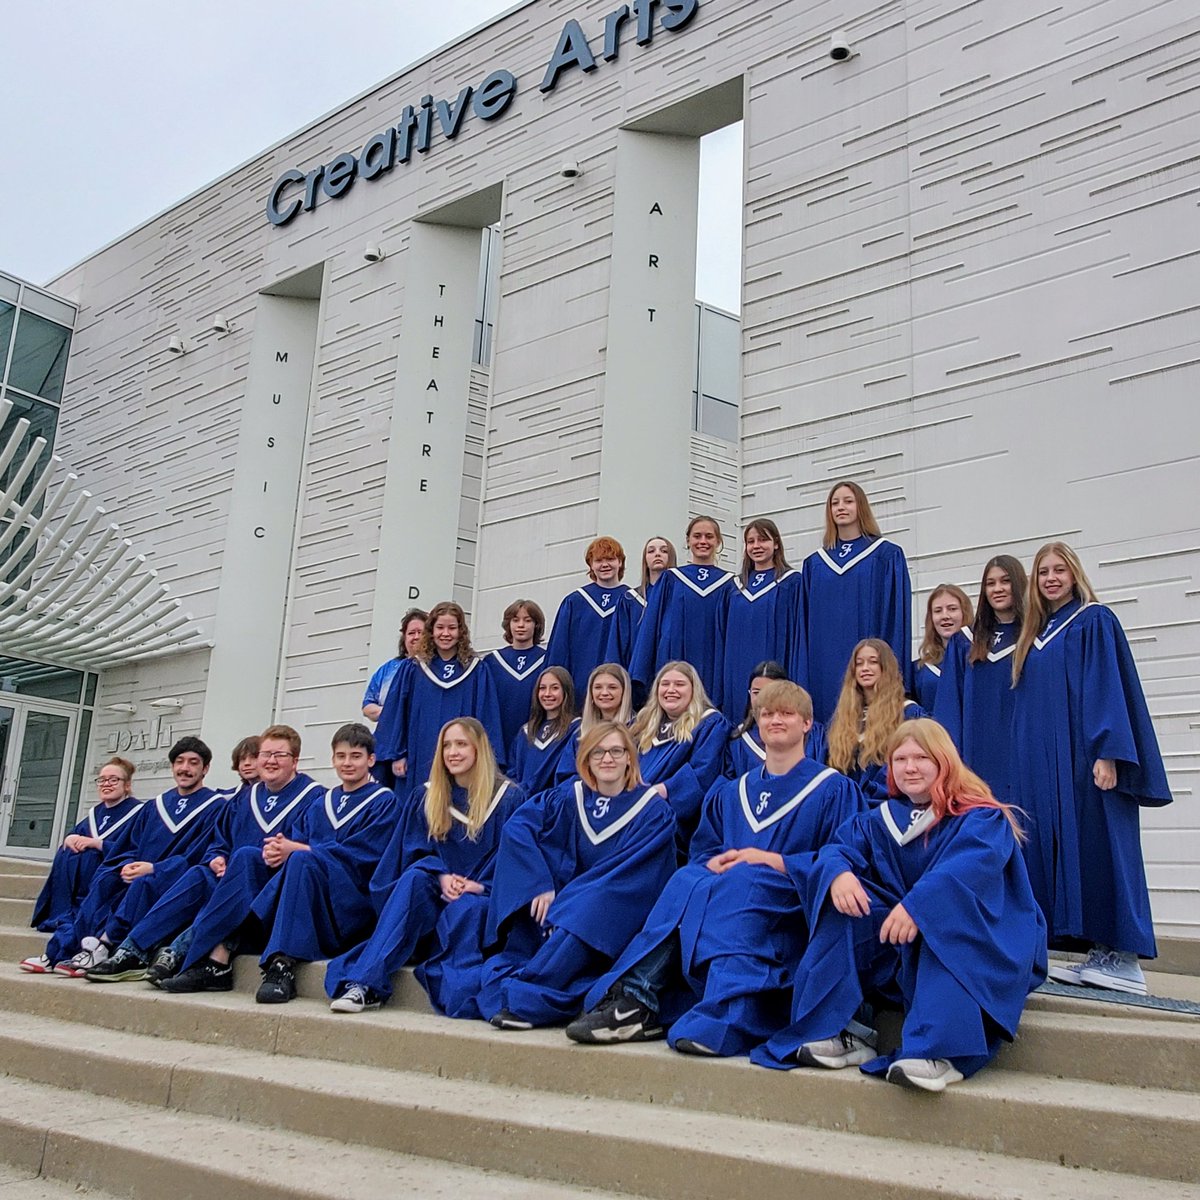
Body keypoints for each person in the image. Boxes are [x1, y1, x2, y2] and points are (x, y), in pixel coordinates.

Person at [568, 681, 865, 1056]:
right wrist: (711, 860)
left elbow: (843, 856)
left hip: (788, 904)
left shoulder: (832, 788)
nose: (775, 720)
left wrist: (775, 861)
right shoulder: (732, 791)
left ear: (807, 724)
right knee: (687, 877)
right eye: (767, 713)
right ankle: (635, 998)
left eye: (786, 713)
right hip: (729, 889)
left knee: (742, 879)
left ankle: (724, 1011)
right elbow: (704, 848)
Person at [753, 720, 1047, 1094]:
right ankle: (838, 1029)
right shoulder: (880, 820)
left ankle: (940, 1050)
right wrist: (839, 874)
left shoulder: (980, 817)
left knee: (944, 919)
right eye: (900, 759)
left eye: (921, 758)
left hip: (981, 937)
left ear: (944, 761)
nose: (909, 767)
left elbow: (965, 872)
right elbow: (835, 850)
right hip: (901, 940)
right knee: (845, 905)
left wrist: (918, 907)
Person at [1010, 542, 1170, 995]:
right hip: (1049, 769)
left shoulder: (1094, 620)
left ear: (1074, 573)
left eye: (1059, 570)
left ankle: (1124, 958)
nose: (1051, 578)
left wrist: (1109, 753)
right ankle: (1097, 954)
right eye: (1043, 572)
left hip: (1089, 762)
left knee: (1104, 848)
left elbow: (1107, 689)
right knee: (1070, 852)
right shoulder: (1035, 635)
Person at [161, 724, 396, 1003]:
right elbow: (293, 844)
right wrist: (276, 852)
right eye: (341, 756)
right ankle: (216, 958)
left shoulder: (383, 801)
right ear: (332, 760)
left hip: (346, 906)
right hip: (304, 896)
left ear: (371, 760)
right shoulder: (323, 803)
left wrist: (302, 850)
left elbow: (366, 858)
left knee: (300, 860)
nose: (347, 763)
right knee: (249, 855)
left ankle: (281, 965)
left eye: (356, 756)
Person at [476, 722, 677, 1029]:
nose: (607, 759)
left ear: (629, 758)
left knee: (590, 905)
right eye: (598, 752)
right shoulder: (568, 797)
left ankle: (527, 1000)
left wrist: (571, 901)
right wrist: (539, 883)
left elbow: (638, 876)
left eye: (615, 751)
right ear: (586, 759)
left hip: (614, 911)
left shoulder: (652, 810)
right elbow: (518, 828)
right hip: (564, 905)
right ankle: (535, 990)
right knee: (552, 918)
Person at [83, 725, 321, 984]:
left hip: (271, 891)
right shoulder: (243, 799)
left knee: (243, 860)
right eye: (266, 754)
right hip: (229, 880)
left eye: (280, 755)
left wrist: (285, 851)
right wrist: (217, 857)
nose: (270, 761)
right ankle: (133, 950)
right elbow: (220, 841)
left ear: (295, 761)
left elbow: (312, 852)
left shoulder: (314, 797)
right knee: (199, 873)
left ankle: (180, 952)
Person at [324, 718, 524, 1015]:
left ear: (480, 749)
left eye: (461, 744)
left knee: (467, 907)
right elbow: (408, 855)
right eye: (446, 745)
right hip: (433, 899)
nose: (452, 752)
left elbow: (517, 863)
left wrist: (480, 886)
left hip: (482, 900)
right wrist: (440, 875)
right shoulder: (427, 796)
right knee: (414, 878)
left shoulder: (509, 798)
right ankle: (364, 984)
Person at [40, 738, 220, 977]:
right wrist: (126, 865)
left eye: (193, 763)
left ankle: (103, 946)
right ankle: (66, 950)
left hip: (172, 879)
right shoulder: (155, 806)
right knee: (105, 879)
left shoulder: (215, 806)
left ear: (205, 769)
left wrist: (154, 868)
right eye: (179, 762)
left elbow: (199, 856)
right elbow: (129, 846)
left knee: (143, 884)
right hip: (138, 874)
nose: (185, 768)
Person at [801, 482, 913, 722]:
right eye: (835, 503)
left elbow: (896, 620)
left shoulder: (886, 555)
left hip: (870, 667)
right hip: (825, 667)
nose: (841, 507)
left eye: (848, 501)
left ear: (860, 506)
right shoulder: (815, 564)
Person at [375, 600, 506, 797]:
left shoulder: (476, 671)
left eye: (452, 628)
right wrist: (397, 754)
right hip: (417, 761)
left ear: (461, 631)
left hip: (463, 763)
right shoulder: (412, 669)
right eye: (440, 628)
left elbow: (487, 719)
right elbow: (396, 716)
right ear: (431, 630)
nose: (445, 634)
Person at [22, 758, 142, 972]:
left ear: (127, 785)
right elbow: (75, 833)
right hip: (81, 883)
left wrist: (98, 843)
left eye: (114, 779)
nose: (106, 784)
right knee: (67, 855)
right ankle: (57, 949)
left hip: (111, 881)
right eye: (102, 780)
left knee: (88, 909)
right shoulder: (95, 814)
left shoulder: (139, 812)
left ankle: (55, 956)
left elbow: (137, 848)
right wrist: (69, 839)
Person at [933, 556, 1027, 801]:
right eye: (990, 583)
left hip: (1023, 755)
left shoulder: (1035, 639)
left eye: (1005, 581)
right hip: (976, 759)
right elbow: (949, 709)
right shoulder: (964, 641)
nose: (997, 589)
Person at [630, 516, 734, 707]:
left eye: (709, 537)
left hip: (715, 667)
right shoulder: (671, 579)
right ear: (688, 541)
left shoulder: (730, 584)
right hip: (673, 663)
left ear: (718, 541)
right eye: (697, 536)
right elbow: (650, 628)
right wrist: (640, 671)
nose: (703, 541)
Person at [631, 661, 730, 856]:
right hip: (634, 805)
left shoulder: (709, 724)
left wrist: (663, 790)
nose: (671, 690)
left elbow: (703, 772)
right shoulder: (642, 725)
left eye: (679, 684)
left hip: (670, 818)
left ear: (694, 689)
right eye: (665, 684)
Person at [715, 518, 806, 720]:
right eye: (751, 541)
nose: (756, 546)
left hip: (777, 664)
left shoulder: (792, 583)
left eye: (763, 540)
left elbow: (798, 636)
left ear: (775, 544)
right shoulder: (733, 587)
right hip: (736, 672)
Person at [826, 640, 924, 801]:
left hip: (886, 805)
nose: (865, 668)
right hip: (846, 808)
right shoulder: (844, 719)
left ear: (886, 668)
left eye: (873, 662)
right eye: (859, 664)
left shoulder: (907, 714)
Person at [544, 537, 631, 693]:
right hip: (578, 694)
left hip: (620, 695)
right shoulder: (574, 602)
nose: (604, 564)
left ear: (620, 562)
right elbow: (559, 651)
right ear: (591, 565)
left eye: (610, 559)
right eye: (598, 560)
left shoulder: (633, 601)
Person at [724, 663, 829, 778]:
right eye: (756, 692)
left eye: (770, 691)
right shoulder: (737, 741)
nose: (762, 698)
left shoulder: (814, 735)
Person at [484, 599, 548, 755]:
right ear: (508, 625)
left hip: (535, 737)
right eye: (515, 620)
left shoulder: (547, 660)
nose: (521, 625)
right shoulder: (492, 662)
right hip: (500, 736)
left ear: (536, 625)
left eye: (528, 620)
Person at [554, 663, 634, 784]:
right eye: (598, 687)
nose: (604, 692)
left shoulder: (637, 730)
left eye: (612, 687)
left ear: (624, 692)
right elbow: (565, 775)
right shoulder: (580, 733)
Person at [606, 536, 676, 671]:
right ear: (645, 559)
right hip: (637, 678)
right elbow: (617, 647)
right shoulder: (630, 600)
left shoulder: (679, 599)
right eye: (651, 551)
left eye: (664, 551)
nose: (657, 554)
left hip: (671, 677)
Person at [508, 666, 578, 795]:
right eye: (542, 688)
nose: (547, 694)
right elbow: (513, 774)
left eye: (555, 688)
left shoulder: (576, 730)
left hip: (555, 804)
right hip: (524, 806)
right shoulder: (525, 732)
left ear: (566, 691)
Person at [911, 584, 973, 712]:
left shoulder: (979, 661)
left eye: (952, 609)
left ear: (964, 613)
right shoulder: (920, 670)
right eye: (938, 611)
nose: (945, 616)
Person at [361, 608, 427, 722]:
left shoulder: (436, 669)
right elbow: (367, 706)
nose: (416, 637)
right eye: (411, 633)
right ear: (404, 638)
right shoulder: (388, 670)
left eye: (420, 632)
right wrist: (390, 712)